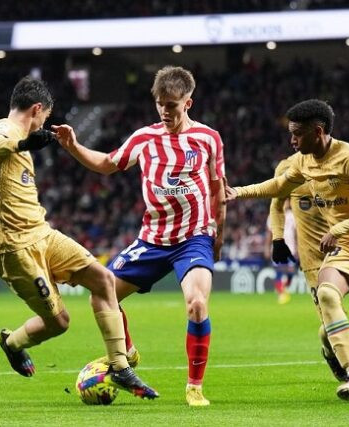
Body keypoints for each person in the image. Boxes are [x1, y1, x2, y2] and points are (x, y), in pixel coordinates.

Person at [0, 76, 158, 400]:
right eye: (44, 117)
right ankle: (12, 343)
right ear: (38, 109)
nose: (44, 123)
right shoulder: (5, 130)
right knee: (59, 323)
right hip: (14, 249)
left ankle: (120, 367)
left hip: (42, 234)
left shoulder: (14, 143)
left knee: (103, 279)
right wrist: (24, 144)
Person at [225, 99, 349, 400]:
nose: (292, 140)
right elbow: (278, 187)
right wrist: (237, 192)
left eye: (297, 134)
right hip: (345, 247)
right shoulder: (303, 162)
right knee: (327, 293)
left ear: (318, 132)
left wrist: (337, 229)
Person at [52, 66, 226, 407]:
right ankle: (127, 354)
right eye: (160, 104)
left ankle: (194, 387)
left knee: (197, 304)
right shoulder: (143, 138)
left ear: (188, 103)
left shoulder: (208, 138)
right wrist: (73, 146)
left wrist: (216, 235)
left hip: (193, 238)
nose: (165, 111)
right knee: (101, 293)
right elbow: (106, 163)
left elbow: (219, 188)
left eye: (172, 105)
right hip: (151, 240)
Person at [269, 154, 349, 381]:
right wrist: (278, 238)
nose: (296, 140)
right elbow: (276, 204)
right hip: (315, 261)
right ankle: (333, 354)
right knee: (331, 322)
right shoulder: (287, 167)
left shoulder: (341, 162)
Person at [264, 199, 296, 305]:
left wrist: (299, 248)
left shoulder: (292, 216)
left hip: (290, 249)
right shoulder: (273, 215)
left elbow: (296, 233)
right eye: (284, 201)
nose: (286, 203)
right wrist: (266, 248)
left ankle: (284, 289)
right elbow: (269, 233)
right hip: (277, 248)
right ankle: (282, 294)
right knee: (279, 272)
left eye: (287, 201)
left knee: (291, 273)